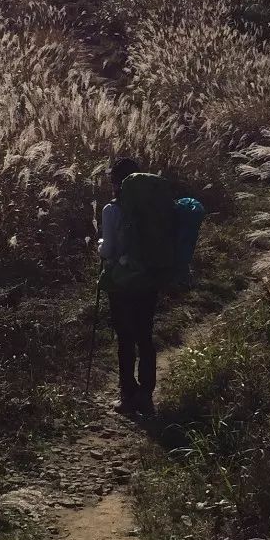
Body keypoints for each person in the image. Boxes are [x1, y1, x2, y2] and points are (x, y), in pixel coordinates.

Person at [98, 156, 159, 416]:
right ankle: (146, 395)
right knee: (144, 335)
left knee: (125, 338)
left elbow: (109, 249)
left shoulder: (112, 210)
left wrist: (100, 247)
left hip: (121, 281)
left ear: (115, 182)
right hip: (148, 277)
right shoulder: (154, 207)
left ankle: (127, 395)